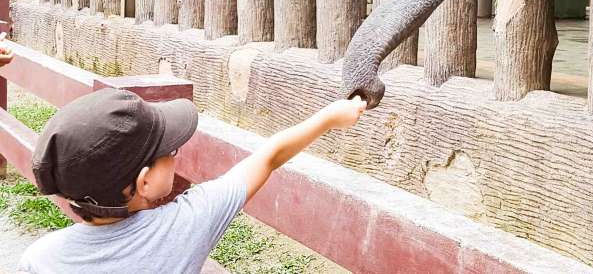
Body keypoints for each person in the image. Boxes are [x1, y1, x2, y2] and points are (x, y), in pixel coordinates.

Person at [17, 87, 366, 273]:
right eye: (169, 151)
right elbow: (269, 156)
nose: (176, 153)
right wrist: (329, 118)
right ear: (144, 183)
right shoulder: (186, 224)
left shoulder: (41, 258)